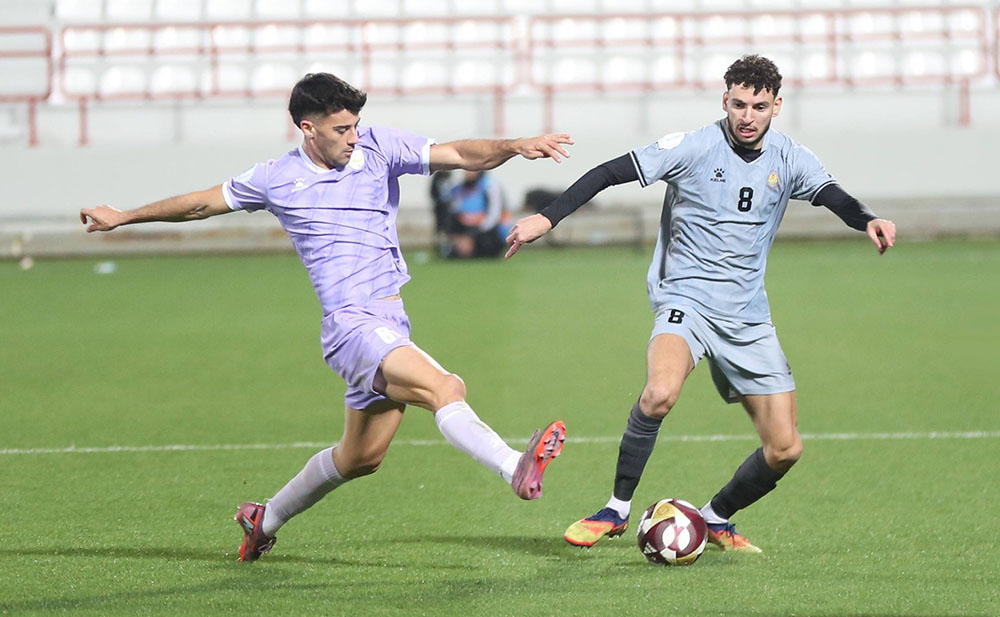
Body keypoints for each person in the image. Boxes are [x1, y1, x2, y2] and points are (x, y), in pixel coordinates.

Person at [79, 72, 572, 562]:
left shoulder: (378, 147)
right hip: (351, 326)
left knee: (360, 458)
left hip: (389, 322)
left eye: (355, 125)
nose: (353, 137)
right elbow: (200, 205)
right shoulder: (276, 178)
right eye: (341, 129)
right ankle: (513, 466)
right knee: (445, 387)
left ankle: (263, 520)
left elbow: (461, 154)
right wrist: (124, 216)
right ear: (308, 128)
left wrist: (515, 146)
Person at [505, 55, 896, 553]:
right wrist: (547, 218)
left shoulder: (790, 158)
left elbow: (832, 196)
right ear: (724, 100)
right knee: (659, 393)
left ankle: (714, 518)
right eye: (739, 104)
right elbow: (608, 172)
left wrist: (868, 219)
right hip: (685, 300)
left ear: (776, 106)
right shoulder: (692, 147)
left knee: (785, 448)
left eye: (759, 107)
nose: (747, 116)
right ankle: (616, 510)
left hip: (747, 317)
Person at [443, 170, 511, 258]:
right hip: (466, 227)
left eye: (471, 170)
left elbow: (494, 215)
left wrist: (473, 234)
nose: (467, 173)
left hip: (486, 229)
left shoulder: (490, 186)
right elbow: (454, 209)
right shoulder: (459, 188)